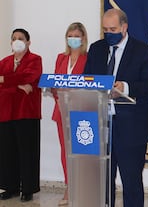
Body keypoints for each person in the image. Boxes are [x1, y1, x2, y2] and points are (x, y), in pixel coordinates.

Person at [83, 8, 148, 207]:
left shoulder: (142, 51)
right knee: (102, 183)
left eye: (113, 29)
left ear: (124, 27)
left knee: (131, 183)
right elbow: (86, 80)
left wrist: (125, 87)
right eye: (105, 29)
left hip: (131, 128)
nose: (109, 33)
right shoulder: (96, 49)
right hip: (100, 127)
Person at [0, 28, 42, 202]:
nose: (17, 41)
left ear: (28, 42)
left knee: (27, 151)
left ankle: (28, 189)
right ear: (10, 42)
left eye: (21, 38)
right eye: (14, 38)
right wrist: (18, 86)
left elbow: (30, 77)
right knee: (7, 151)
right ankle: (11, 187)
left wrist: (5, 80)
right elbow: (19, 82)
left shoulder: (35, 60)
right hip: (6, 112)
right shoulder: (4, 62)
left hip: (27, 112)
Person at [52, 22, 88, 206]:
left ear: (83, 39)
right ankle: (69, 186)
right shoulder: (60, 58)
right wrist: (56, 90)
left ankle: (82, 186)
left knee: (80, 152)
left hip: (80, 112)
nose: (73, 39)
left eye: (76, 36)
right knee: (65, 152)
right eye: (70, 35)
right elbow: (54, 83)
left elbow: (90, 85)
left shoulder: (88, 58)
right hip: (61, 111)